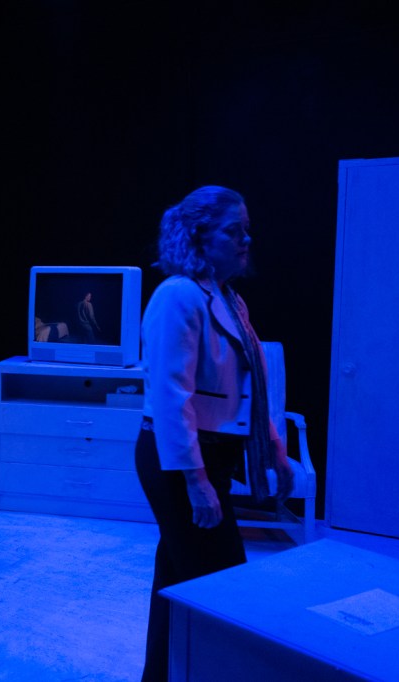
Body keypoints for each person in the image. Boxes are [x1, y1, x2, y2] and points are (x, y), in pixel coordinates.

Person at [135, 185, 293, 679]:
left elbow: (247, 388)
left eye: (247, 230)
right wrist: (196, 480)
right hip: (180, 459)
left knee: (177, 577)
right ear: (200, 236)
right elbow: (170, 397)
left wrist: (275, 449)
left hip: (210, 456)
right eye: (233, 231)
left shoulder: (228, 298)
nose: (246, 239)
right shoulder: (179, 295)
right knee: (221, 584)